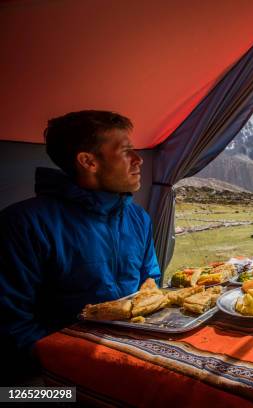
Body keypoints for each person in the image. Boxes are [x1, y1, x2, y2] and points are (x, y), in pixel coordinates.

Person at [0, 110, 161, 383]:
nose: (139, 159)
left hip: (126, 356)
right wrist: (74, 369)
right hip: (44, 375)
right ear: (88, 161)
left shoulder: (137, 218)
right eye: (126, 151)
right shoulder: (23, 224)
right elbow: (10, 324)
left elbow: (151, 281)